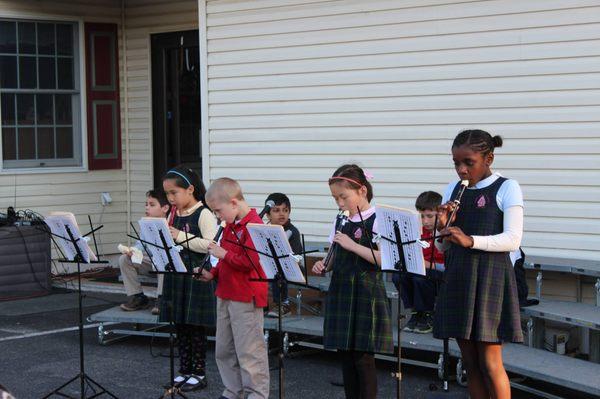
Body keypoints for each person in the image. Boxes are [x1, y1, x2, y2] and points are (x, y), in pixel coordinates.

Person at [434, 130, 524, 399]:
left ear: (489, 158)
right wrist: (443, 227)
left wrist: (470, 240)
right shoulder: (452, 189)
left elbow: (513, 239)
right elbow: (442, 246)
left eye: (468, 162)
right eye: (456, 163)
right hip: (460, 276)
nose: (461, 169)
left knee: (490, 362)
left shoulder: (507, 187)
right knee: (470, 364)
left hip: (490, 278)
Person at [312, 164, 393, 399]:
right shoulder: (341, 220)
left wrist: (353, 245)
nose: (339, 203)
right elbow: (335, 253)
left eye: (343, 197)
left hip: (366, 293)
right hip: (342, 290)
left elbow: (384, 259)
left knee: (363, 358)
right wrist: (324, 264)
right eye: (335, 198)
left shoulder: (378, 219)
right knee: (345, 355)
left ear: (362, 191)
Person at [198, 177, 270, 399]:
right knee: (224, 349)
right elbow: (225, 261)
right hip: (225, 293)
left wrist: (224, 254)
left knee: (249, 352)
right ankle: (233, 391)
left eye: (218, 211)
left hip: (246, 296)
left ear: (233, 203)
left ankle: (256, 394)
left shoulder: (255, 225)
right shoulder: (230, 226)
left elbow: (251, 261)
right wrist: (213, 273)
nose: (218, 216)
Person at [159, 166, 218, 392]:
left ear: (190, 189)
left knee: (195, 327)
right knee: (180, 325)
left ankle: (199, 372)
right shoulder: (173, 213)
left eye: (174, 193)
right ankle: (184, 370)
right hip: (177, 274)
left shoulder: (203, 213)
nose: (170, 198)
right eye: (167, 194)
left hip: (196, 275)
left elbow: (211, 245)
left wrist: (179, 236)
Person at [393, 191, 445, 334]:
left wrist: (431, 265)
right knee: (398, 276)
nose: (425, 221)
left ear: (440, 213)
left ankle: (428, 314)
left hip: (441, 276)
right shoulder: (418, 231)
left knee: (420, 277)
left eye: (430, 216)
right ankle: (416, 312)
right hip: (423, 271)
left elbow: (452, 265)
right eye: (422, 216)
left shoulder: (445, 232)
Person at [119, 189, 169, 314]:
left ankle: (162, 299)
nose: (147, 208)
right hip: (150, 263)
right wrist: (133, 251)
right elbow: (141, 244)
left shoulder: (171, 224)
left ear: (165, 208)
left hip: (167, 266)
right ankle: (137, 297)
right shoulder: (146, 223)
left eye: (152, 205)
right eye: (146, 204)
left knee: (162, 260)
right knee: (124, 259)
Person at [263, 192, 303, 318]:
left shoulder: (292, 231)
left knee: (278, 270)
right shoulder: (264, 230)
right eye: (276, 210)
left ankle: (283, 304)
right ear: (267, 214)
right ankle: (262, 304)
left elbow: (296, 256)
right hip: (272, 265)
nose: (282, 214)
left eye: (285, 210)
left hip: (292, 266)